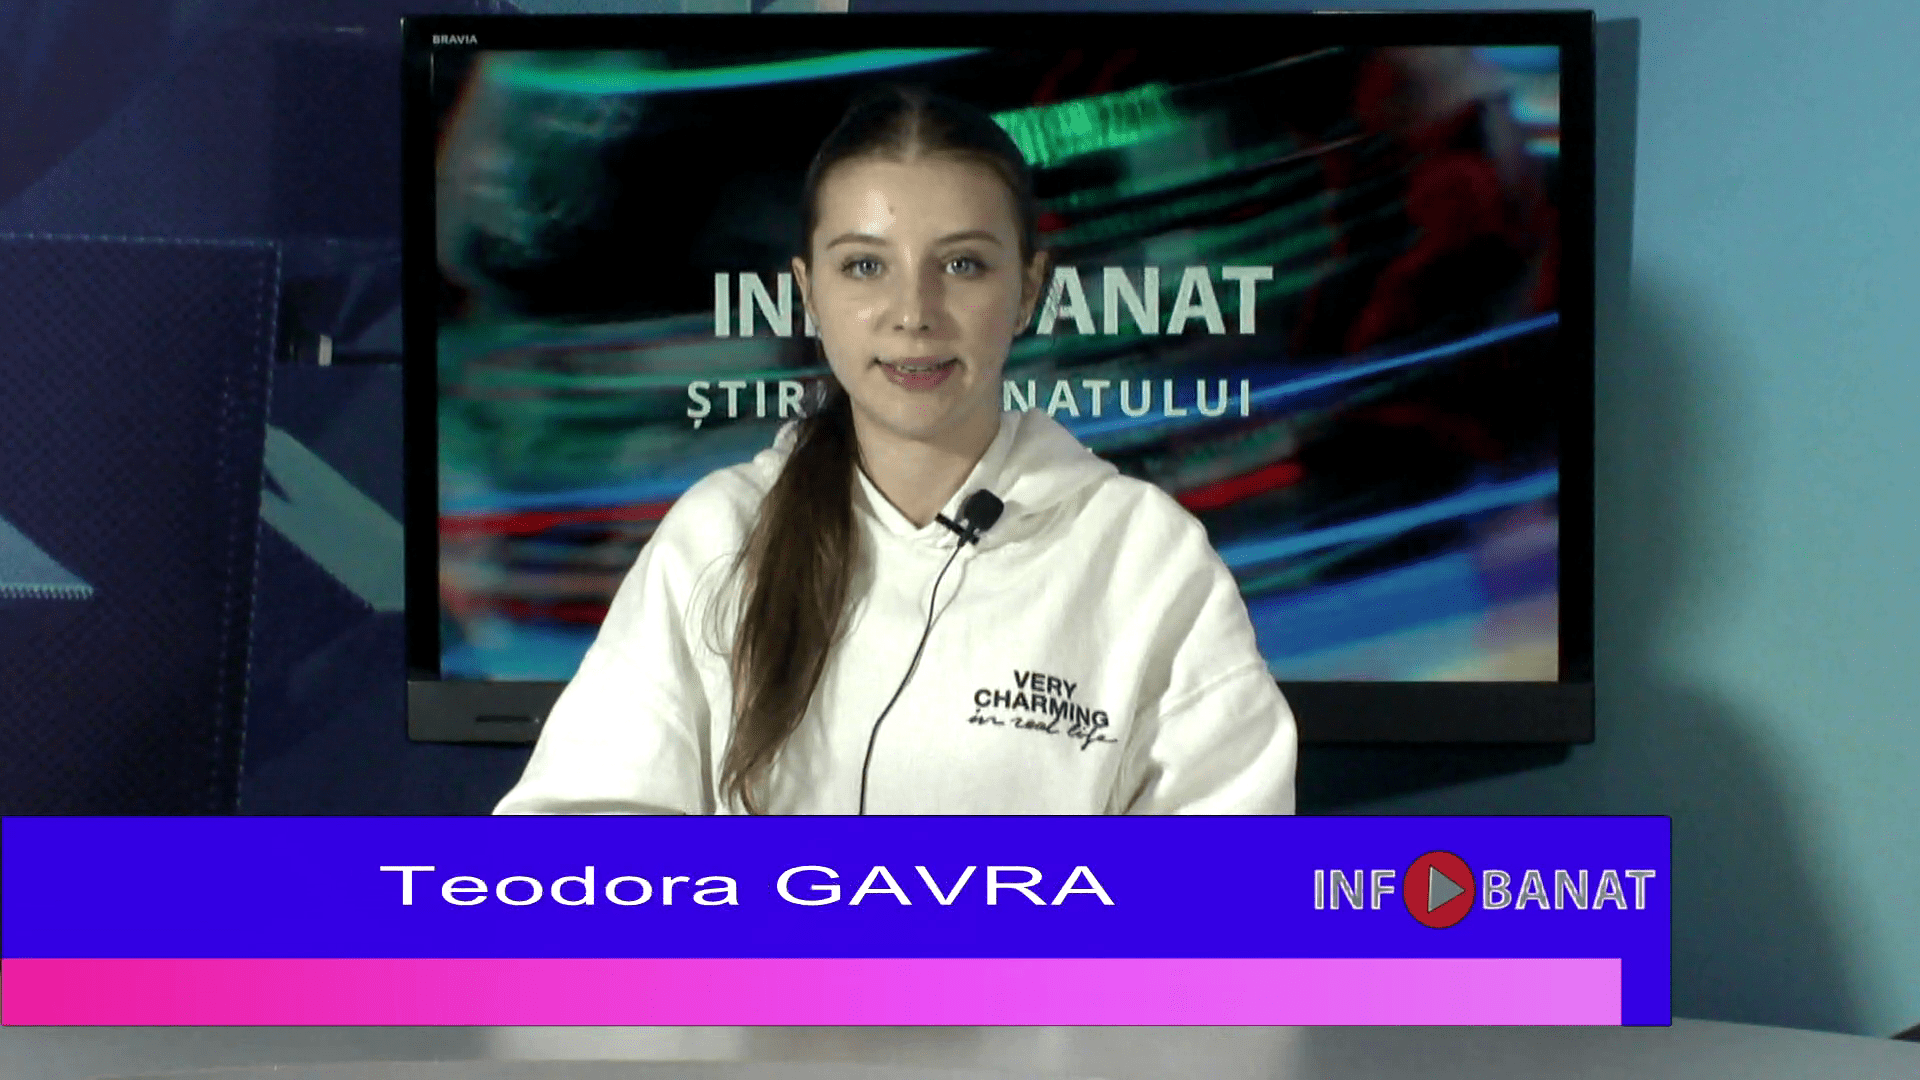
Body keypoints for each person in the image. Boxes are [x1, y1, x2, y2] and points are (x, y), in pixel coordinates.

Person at [494, 84, 1296, 815]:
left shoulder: (1147, 558)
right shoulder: (715, 538)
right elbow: (573, 852)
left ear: (1027, 291)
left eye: (963, 264)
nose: (914, 311)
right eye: (866, 266)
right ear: (809, 294)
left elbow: (1235, 887)